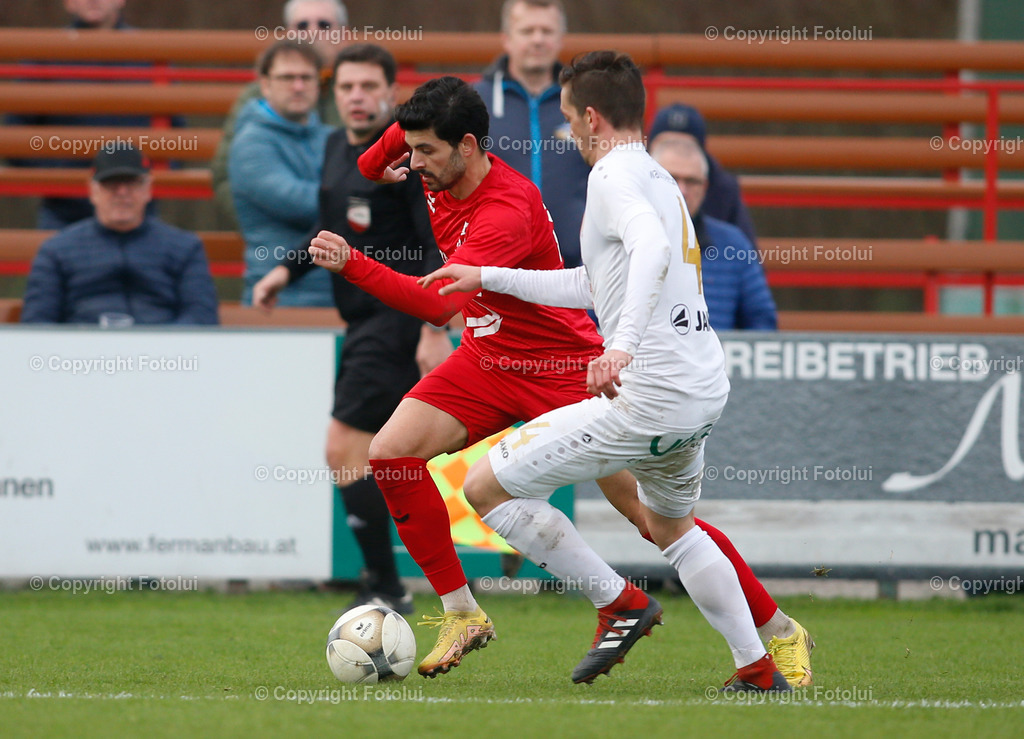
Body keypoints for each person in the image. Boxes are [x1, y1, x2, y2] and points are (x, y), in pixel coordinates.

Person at [306, 75, 812, 687]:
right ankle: (463, 611)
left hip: (559, 362)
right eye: (408, 151)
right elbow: (370, 161)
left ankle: (778, 630)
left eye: (425, 153)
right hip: (489, 358)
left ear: (467, 146)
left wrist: (351, 264)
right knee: (390, 453)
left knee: (653, 518)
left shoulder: (507, 208)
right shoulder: (429, 150)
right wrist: (384, 161)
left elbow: (440, 306)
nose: (413, 164)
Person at [252, 44, 451, 613]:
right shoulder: (338, 147)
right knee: (375, 455)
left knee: (346, 448)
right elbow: (330, 223)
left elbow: (431, 245)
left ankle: (387, 585)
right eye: (346, 88)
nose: (357, 97)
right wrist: (285, 271)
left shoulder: (408, 158)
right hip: (362, 317)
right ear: (332, 92)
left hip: (397, 316)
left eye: (368, 87)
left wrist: (433, 326)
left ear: (390, 92)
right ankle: (388, 583)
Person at [5, 0, 180, 229]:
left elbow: (175, 133)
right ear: (68, 3)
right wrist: (56, 177)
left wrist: (146, 182)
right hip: (64, 210)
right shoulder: (45, 52)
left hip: (136, 210)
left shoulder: (149, 52)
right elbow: (16, 134)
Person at [21, 145, 218, 325]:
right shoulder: (56, 251)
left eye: (131, 183)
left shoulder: (185, 248)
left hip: (161, 357)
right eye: (111, 184)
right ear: (93, 190)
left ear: (148, 189)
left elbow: (201, 316)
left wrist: (162, 350)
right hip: (81, 356)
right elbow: (38, 321)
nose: (122, 193)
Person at [473, 0, 589, 269]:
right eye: (527, 31)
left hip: (576, 275)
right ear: (506, 39)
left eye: (547, 31)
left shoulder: (586, 102)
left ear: (561, 39)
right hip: (496, 270)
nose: (538, 40)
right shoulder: (474, 102)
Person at [212, 0, 349, 226]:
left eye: (324, 25)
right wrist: (259, 228)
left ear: (343, 35)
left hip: (352, 237)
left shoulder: (360, 88)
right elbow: (225, 177)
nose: (312, 32)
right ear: (287, 34)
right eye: (302, 25)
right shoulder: (257, 96)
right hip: (279, 237)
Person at [229, 40, 333, 306]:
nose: (298, 86)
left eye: (306, 77)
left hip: (341, 295)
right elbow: (301, 204)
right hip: (278, 299)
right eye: (287, 77)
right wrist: (360, 197)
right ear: (265, 85)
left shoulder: (332, 138)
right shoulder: (250, 144)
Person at [651, 135, 777, 330]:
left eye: (692, 181)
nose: (682, 190)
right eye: (672, 178)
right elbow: (593, 320)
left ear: (705, 187)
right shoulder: (619, 238)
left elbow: (763, 322)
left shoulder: (734, 246)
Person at [648, 103, 758, 247]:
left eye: (691, 181)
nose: (681, 190)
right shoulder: (626, 183)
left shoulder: (724, 191)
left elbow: (743, 257)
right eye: (667, 146)